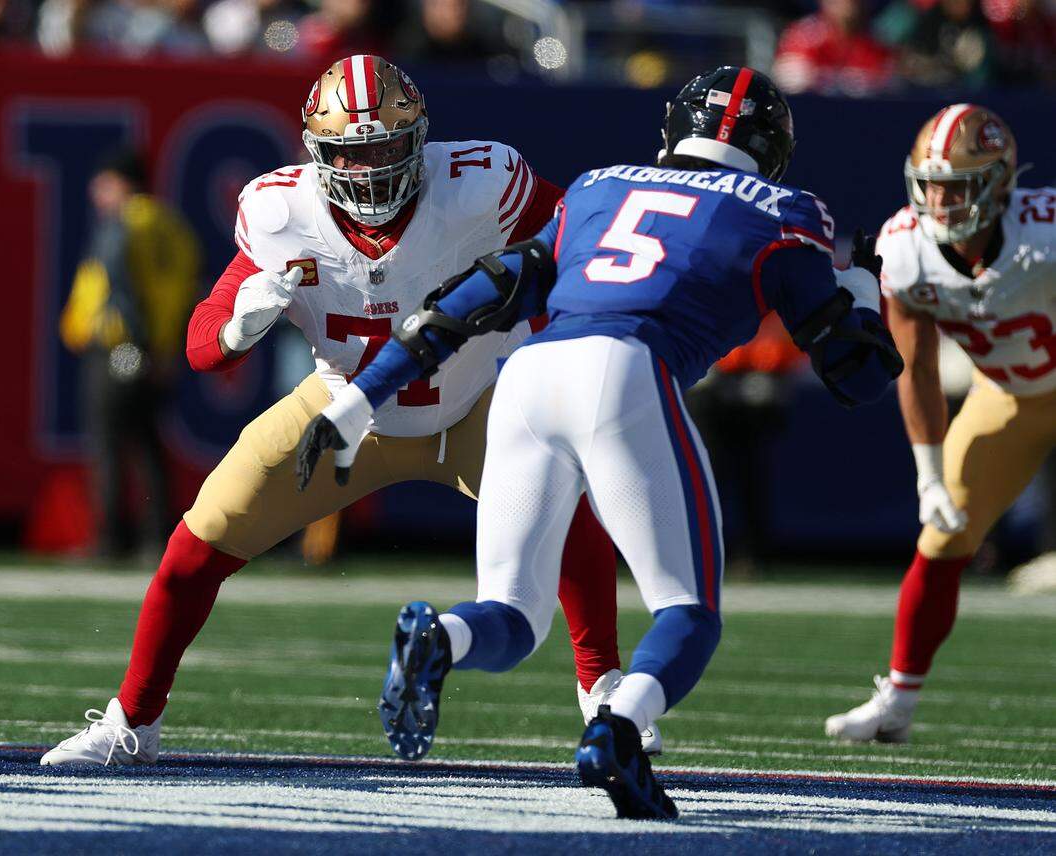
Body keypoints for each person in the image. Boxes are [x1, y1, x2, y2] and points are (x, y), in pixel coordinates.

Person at [296, 66, 903, 818]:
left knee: (512, 617)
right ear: (773, 148)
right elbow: (860, 376)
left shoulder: (596, 186)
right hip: (625, 372)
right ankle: (618, 727)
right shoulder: (784, 212)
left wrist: (358, 403)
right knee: (688, 612)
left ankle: (443, 639)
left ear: (672, 130)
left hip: (526, 378)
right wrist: (869, 292)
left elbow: (467, 303)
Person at [41, 55, 638, 767]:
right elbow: (202, 345)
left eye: (386, 147)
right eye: (352, 154)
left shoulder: (482, 183)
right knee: (192, 550)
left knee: (568, 508)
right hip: (345, 415)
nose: (371, 170)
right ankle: (131, 723)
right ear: (317, 152)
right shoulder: (279, 212)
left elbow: (581, 238)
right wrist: (235, 328)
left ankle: (603, 692)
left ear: (420, 138)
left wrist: (555, 311)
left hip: (479, 401)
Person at [826, 105, 1056, 743]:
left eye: (957, 185)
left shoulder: (1046, 232)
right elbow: (918, 368)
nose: (940, 200)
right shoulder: (905, 249)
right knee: (941, 537)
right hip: (1007, 394)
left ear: (999, 182)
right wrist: (928, 476)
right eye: (930, 184)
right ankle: (897, 700)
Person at [59, 149, 199, 560]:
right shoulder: (171, 225)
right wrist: (162, 350)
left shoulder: (122, 224)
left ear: (120, 182)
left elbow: (120, 286)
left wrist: (133, 340)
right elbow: (186, 286)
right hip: (155, 350)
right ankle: (156, 537)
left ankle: (108, 539)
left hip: (120, 348)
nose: (95, 192)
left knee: (107, 440)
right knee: (147, 442)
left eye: (102, 183)